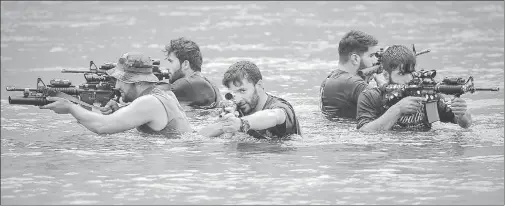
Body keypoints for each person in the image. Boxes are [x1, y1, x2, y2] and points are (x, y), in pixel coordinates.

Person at [40, 52, 193, 137]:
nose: (117, 85)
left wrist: (70, 107)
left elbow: (102, 126)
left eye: (122, 80)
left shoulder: (149, 102)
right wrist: (121, 110)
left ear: (139, 82)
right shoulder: (165, 94)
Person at [356, 45, 472, 131]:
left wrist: (461, 114)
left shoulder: (427, 96)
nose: (409, 78)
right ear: (386, 75)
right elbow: (364, 133)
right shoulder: (372, 97)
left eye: (411, 72)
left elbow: (463, 124)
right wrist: (398, 109)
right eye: (401, 74)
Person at [199, 61, 301, 139]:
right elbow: (199, 137)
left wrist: (241, 124)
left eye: (242, 90)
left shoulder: (281, 107)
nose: (238, 99)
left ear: (259, 85)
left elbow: (275, 116)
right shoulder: (238, 109)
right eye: (234, 93)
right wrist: (226, 124)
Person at [319, 30, 387, 119]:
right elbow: (392, 104)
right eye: (371, 56)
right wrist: (383, 83)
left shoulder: (330, 78)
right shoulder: (354, 84)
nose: (375, 61)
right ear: (355, 58)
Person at [161, 37, 222, 109]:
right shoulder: (208, 83)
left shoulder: (185, 84)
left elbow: (151, 103)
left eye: (171, 61)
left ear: (186, 64)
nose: (167, 67)